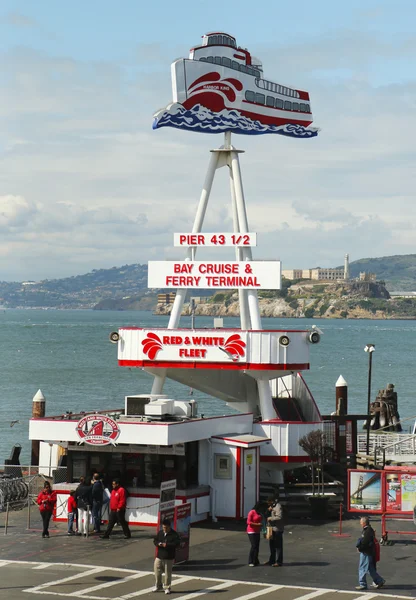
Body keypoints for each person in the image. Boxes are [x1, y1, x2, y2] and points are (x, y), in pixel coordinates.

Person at [356, 516, 385, 590]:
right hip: (369, 552)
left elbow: (365, 542)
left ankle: (362, 584)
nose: (360, 523)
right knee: (369, 569)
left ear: (364, 523)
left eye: (361, 522)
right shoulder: (369, 530)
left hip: (366, 552)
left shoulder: (367, 531)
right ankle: (379, 580)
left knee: (362, 568)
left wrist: (360, 548)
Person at [153, 518, 180, 595]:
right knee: (157, 571)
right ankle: (158, 586)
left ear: (169, 527)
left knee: (167, 573)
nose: (164, 529)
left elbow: (177, 544)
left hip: (169, 557)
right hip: (159, 556)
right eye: (163, 527)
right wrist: (158, 544)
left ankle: (167, 587)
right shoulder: (160, 533)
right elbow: (155, 540)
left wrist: (167, 545)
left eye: (166, 527)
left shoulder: (174, 534)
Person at [264, 496, 284, 567]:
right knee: (271, 545)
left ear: (271, 501)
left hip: (277, 529)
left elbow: (279, 517)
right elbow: (265, 514)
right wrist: (268, 510)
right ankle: (272, 560)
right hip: (271, 528)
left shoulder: (278, 506)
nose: (267, 503)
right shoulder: (271, 506)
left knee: (278, 546)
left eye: (268, 502)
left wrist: (271, 518)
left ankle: (279, 561)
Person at [246, 501, 263, 566]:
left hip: (257, 531)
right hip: (251, 530)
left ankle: (255, 560)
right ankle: (250, 561)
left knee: (257, 546)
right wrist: (257, 524)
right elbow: (248, 522)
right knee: (254, 545)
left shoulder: (259, 513)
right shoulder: (252, 512)